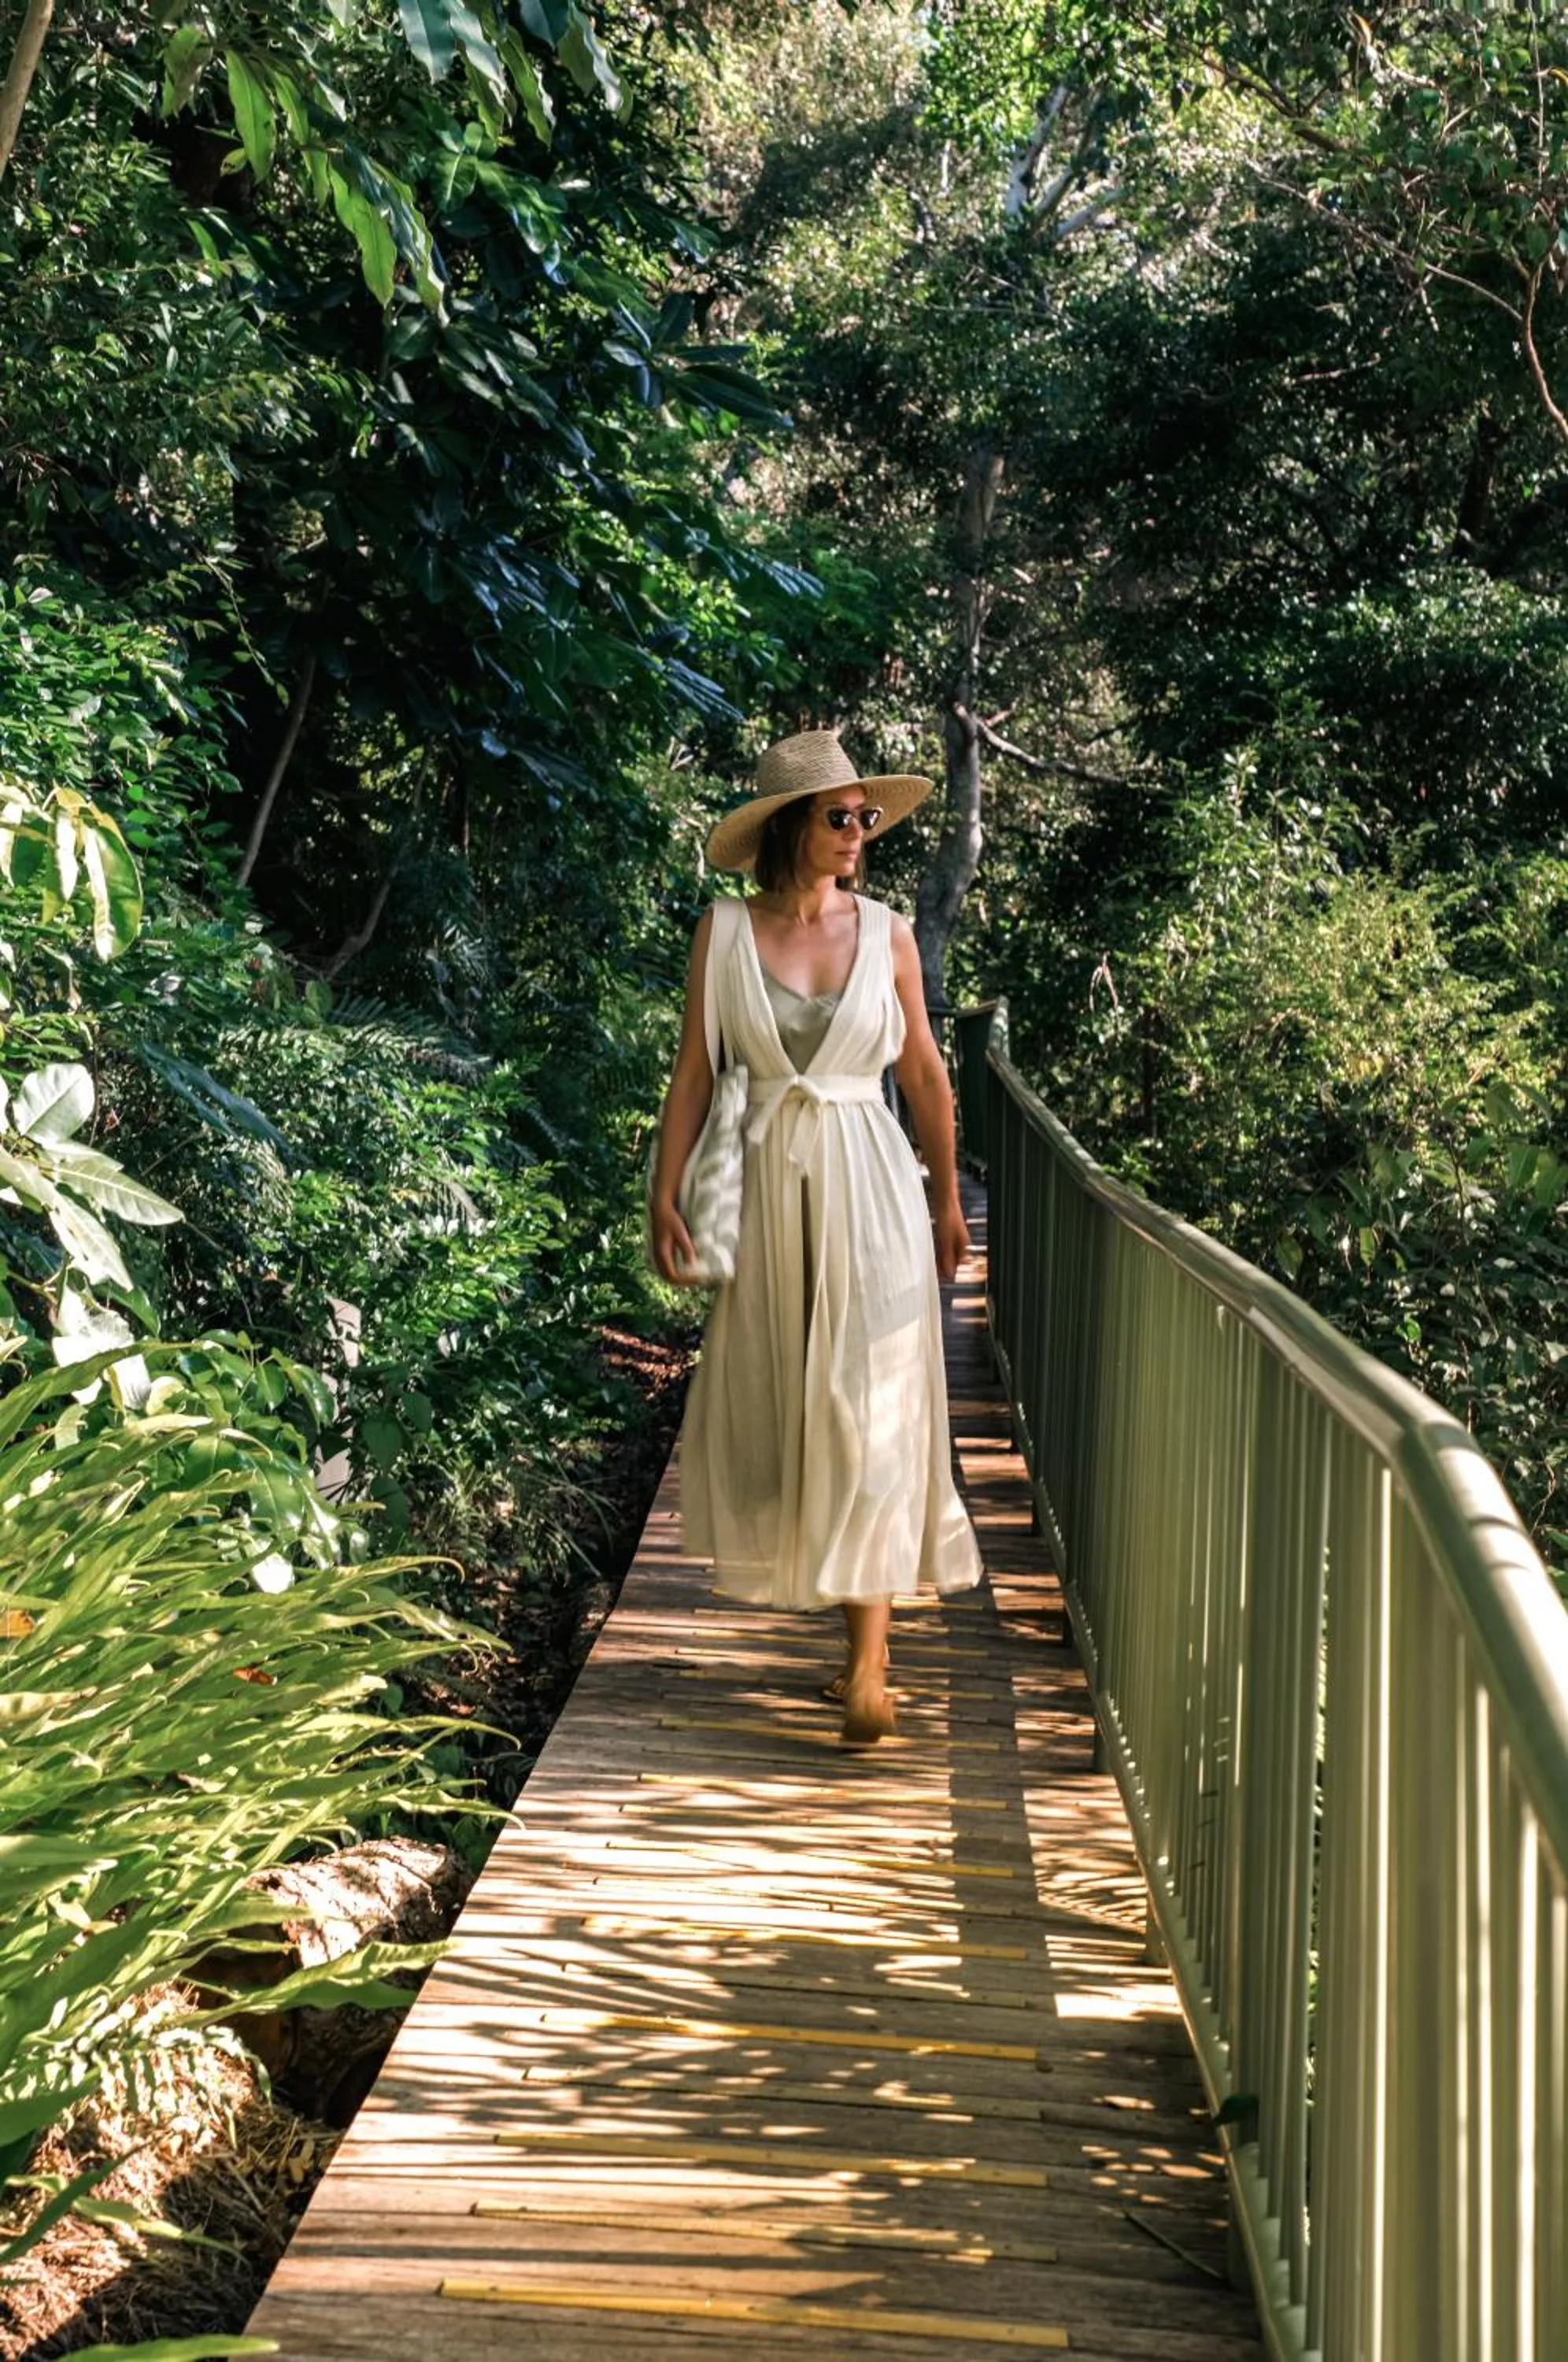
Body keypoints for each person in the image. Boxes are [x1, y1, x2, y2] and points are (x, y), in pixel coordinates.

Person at [648, 727, 983, 1746]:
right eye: (840, 818)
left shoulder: (885, 935)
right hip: (764, 1189)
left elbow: (922, 1071)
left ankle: (870, 1659)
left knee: (868, 1403)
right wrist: (665, 1194)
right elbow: (695, 1075)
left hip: (872, 1186)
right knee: (793, 1406)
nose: (858, 834)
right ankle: (851, 1636)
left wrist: (946, 1199)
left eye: (865, 819)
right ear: (794, 826)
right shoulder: (724, 934)